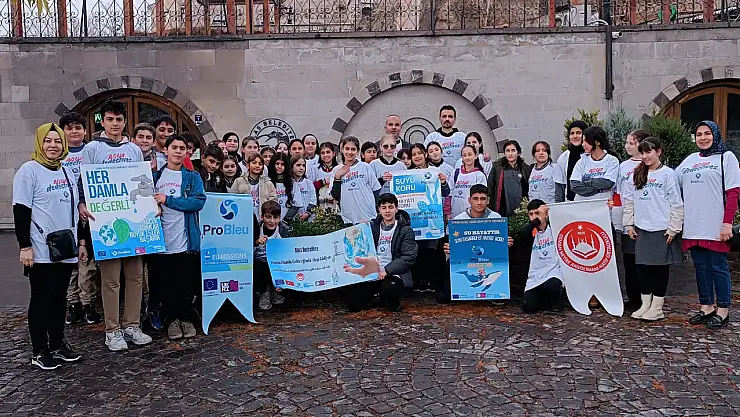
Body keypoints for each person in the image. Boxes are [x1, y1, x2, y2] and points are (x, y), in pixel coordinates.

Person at [76, 100, 152, 352]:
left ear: (124, 121)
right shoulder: (92, 148)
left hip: (133, 221)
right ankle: (112, 330)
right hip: (105, 222)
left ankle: (132, 325)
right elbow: (83, 180)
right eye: (110, 119)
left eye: (119, 119)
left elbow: (141, 180)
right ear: (103, 121)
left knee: (135, 276)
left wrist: (149, 205)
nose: (115, 124)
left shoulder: (133, 149)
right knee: (110, 279)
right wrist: (82, 203)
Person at [14, 123, 85, 369]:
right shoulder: (29, 171)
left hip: (64, 247)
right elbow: (21, 210)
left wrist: (81, 241)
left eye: (57, 141)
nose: (53, 146)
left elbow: (73, 210)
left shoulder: (66, 171)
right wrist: (24, 246)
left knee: (59, 298)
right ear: (40, 143)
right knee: (41, 299)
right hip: (41, 248)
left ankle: (57, 343)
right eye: (48, 141)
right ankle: (39, 350)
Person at [677, 121, 740, 330]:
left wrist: (727, 223)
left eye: (707, 133)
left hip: (715, 224)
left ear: (715, 134)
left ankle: (723, 309)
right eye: (699, 134)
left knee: (717, 266)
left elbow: (733, 194)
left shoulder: (726, 158)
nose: (703, 138)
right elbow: (672, 182)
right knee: (700, 267)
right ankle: (706, 306)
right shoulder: (689, 160)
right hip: (693, 223)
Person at [151, 135, 206, 340]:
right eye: (174, 147)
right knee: (166, 284)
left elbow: (198, 202)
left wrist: (168, 200)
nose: (178, 151)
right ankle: (172, 320)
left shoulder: (192, 177)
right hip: (160, 241)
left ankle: (185, 318)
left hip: (185, 241)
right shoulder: (155, 177)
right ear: (166, 150)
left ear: (186, 153)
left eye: (182, 148)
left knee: (185, 283)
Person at [623, 137, 683, 321]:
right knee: (643, 269)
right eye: (642, 152)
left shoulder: (668, 174)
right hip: (642, 228)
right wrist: (628, 224)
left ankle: (657, 307)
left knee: (659, 269)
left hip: (661, 229)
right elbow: (629, 200)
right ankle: (645, 304)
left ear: (658, 152)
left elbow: (676, 202)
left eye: (649, 152)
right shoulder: (637, 173)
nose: (645, 156)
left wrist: (674, 228)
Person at [60, 112, 101, 326]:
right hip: (65, 214)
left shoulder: (92, 151)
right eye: (69, 128)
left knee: (88, 262)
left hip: (88, 214)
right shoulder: (58, 154)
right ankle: (72, 302)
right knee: (71, 262)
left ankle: (88, 302)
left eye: (78, 127)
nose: (74, 131)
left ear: (85, 131)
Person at [344, 193, 417, 312]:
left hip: (392, 273)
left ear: (396, 209)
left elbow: (409, 257)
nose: (387, 211)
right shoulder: (371, 227)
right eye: (384, 207)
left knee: (391, 296)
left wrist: (387, 270)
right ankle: (376, 297)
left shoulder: (405, 230)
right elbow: (357, 245)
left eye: (390, 207)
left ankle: (388, 298)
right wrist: (360, 229)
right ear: (379, 210)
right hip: (371, 273)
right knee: (353, 304)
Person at [442, 185, 511, 300]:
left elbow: (499, 244)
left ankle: (498, 292)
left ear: (488, 200)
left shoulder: (496, 218)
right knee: (450, 262)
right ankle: (453, 290)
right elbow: (453, 244)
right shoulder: (459, 219)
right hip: (467, 259)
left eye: (483, 199)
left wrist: (506, 243)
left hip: (489, 259)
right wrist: (449, 248)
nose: (479, 202)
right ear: (469, 200)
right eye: (475, 199)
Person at [408, 143, 451, 297]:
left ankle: (434, 282)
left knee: (433, 250)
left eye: (419, 153)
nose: (417, 157)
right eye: (414, 154)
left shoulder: (435, 172)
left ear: (425, 154)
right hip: (415, 220)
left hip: (433, 219)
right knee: (417, 251)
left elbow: (446, 192)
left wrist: (443, 182)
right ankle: (419, 281)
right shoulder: (407, 174)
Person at [614, 129, 649, 311]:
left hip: (645, 218)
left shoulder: (648, 164)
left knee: (643, 261)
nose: (628, 146)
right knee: (629, 260)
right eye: (627, 142)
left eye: (632, 143)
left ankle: (646, 297)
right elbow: (618, 192)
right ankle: (632, 297)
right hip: (627, 218)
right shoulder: (623, 166)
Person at [516, 200, 564, 314]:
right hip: (536, 275)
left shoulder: (555, 228)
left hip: (553, 272)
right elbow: (522, 233)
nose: (534, 217)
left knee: (552, 285)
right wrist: (537, 221)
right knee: (528, 307)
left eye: (537, 213)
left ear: (546, 214)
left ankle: (554, 302)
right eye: (531, 214)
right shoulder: (530, 232)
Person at [331, 136, 382, 224]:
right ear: (342, 150)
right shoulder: (336, 170)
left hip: (368, 215)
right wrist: (337, 177)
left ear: (357, 151)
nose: (349, 152)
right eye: (347, 149)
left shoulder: (365, 167)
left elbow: (376, 190)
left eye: (353, 149)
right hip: (349, 218)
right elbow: (336, 196)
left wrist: (378, 210)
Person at [253, 200, 292, 310]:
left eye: (275, 217)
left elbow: (289, 255)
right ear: (262, 217)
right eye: (268, 217)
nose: (272, 221)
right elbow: (246, 249)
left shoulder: (284, 230)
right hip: (260, 262)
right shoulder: (256, 229)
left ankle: (277, 289)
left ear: (279, 218)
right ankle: (264, 292)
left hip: (276, 264)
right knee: (257, 266)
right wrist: (256, 242)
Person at [569, 126, 619, 201]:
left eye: (586, 141)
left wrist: (586, 181)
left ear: (597, 142)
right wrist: (598, 190)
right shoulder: (582, 161)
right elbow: (574, 185)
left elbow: (608, 183)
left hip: (603, 205)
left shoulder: (612, 161)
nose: (583, 144)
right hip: (582, 204)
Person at [488, 140, 531, 216]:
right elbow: (490, 188)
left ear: (518, 153)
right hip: (502, 209)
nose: (510, 154)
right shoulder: (497, 167)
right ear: (504, 153)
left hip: (521, 210)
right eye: (507, 151)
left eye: (513, 150)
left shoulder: (525, 168)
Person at [232, 153, 277, 218]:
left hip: (262, 218)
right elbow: (232, 199)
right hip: (242, 217)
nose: (257, 166)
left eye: (260, 164)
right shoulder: (238, 181)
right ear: (248, 165)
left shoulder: (268, 183)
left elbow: (273, 201)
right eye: (254, 163)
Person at [451, 145, 488, 219]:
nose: (467, 157)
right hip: (455, 214)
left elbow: (482, 197)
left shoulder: (479, 175)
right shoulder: (456, 173)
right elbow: (449, 193)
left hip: (472, 216)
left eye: (470, 154)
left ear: (475, 156)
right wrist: (447, 212)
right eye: (464, 155)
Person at [555, 121, 587, 202]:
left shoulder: (591, 154)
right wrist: (559, 206)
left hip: (590, 201)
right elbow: (560, 186)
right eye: (572, 133)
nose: (575, 136)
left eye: (578, 133)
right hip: (570, 203)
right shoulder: (564, 157)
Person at [308, 142, 339, 210]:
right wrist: (323, 182)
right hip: (319, 207)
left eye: (328, 152)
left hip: (336, 206)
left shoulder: (339, 169)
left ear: (333, 153)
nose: (325, 155)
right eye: (323, 153)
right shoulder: (314, 169)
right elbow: (309, 188)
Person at [268, 152, 295, 221]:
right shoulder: (267, 182)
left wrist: (286, 220)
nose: (279, 166)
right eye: (277, 164)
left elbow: (297, 203)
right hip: (270, 220)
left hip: (286, 221)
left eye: (282, 164)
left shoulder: (291, 182)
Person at [290, 156, 317, 222]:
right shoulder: (288, 184)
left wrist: (307, 214)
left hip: (308, 219)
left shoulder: (308, 183)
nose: (301, 168)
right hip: (292, 219)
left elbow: (313, 201)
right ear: (291, 166)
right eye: (298, 165)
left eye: (303, 165)